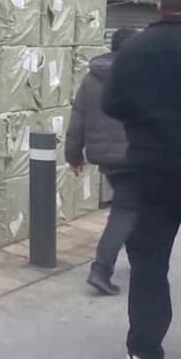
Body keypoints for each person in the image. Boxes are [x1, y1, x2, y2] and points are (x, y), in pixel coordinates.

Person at [103, 0, 181, 359]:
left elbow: (111, 105)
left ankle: (145, 348)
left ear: (159, 8)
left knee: (149, 265)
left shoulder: (133, 50)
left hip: (150, 173)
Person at [65, 27, 139, 295]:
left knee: (129, 208)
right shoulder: (138, 76)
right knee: (126, 211)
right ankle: (101, 269)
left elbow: (78, 118)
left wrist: (73, 155)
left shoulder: (91, 77)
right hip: (133, 155)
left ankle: (135, 259)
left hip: (105, 157)